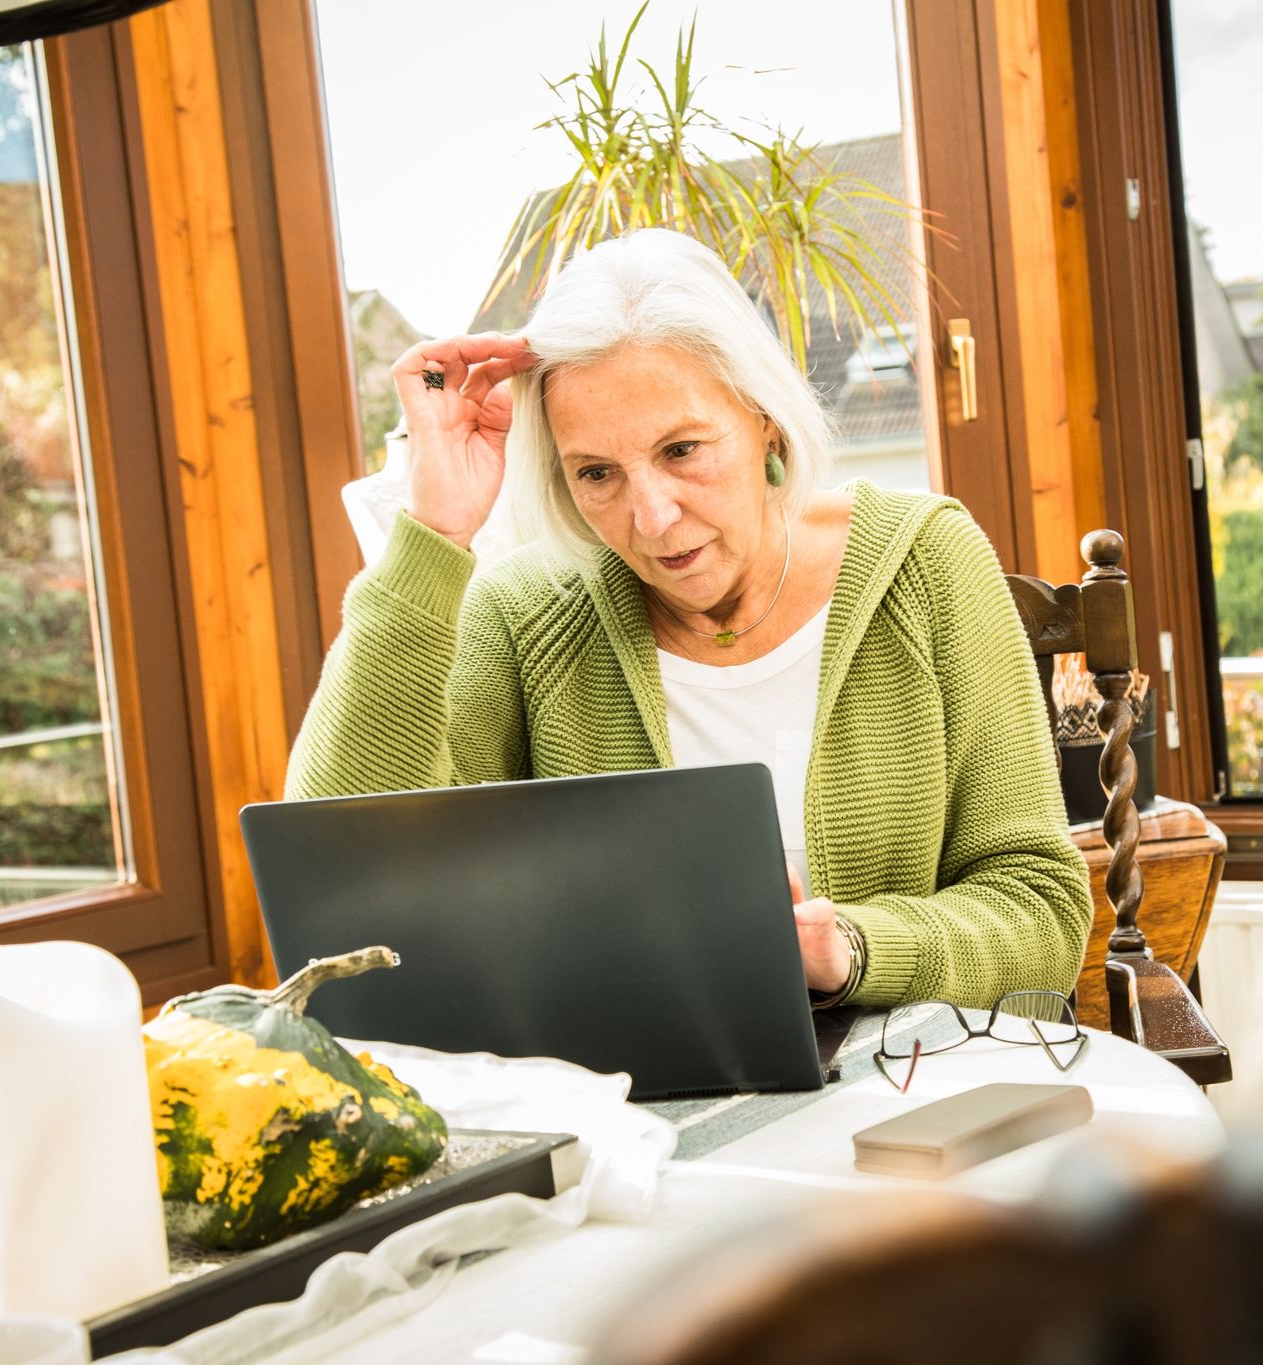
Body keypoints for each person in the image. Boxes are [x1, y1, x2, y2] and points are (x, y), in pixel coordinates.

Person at [285, 228, 1090, 1008]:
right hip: (632, 1087)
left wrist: (850, 948)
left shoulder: (927, 561)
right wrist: (434, 531)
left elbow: (1040, 910)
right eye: (596, 473)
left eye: (681, 450)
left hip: (908, 1075)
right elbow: (339, 887)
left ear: (764, 417)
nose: (652, 516)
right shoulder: (526, 613)